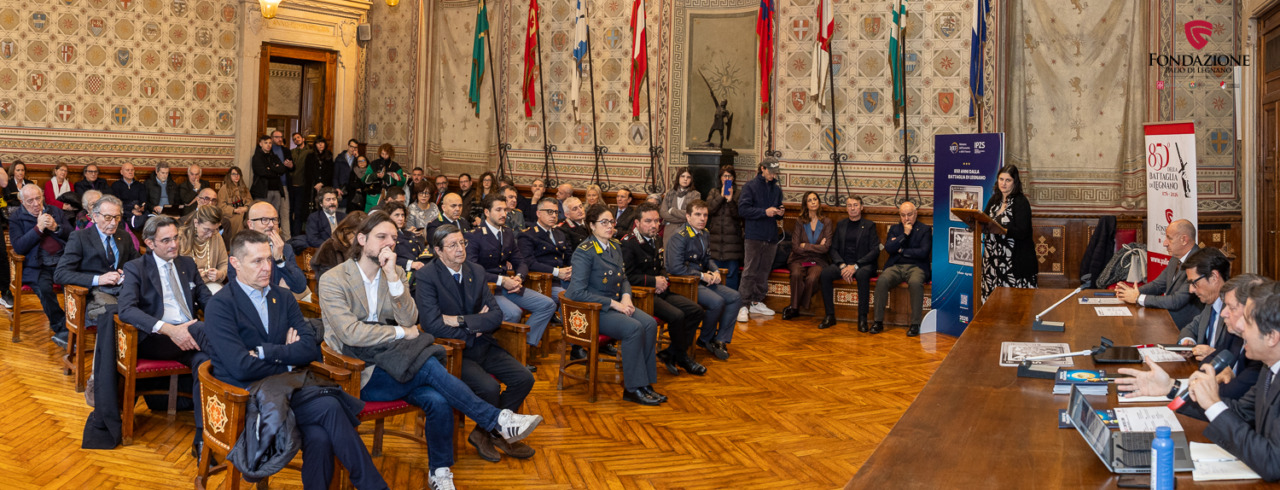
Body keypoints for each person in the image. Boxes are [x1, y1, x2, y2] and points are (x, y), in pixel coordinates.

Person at [317, 217, 543, 489]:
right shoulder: (334, 279)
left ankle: (440, 472)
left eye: (394, 238)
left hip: (396, 362)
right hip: (357, 372)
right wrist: (401, 333)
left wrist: (393, 279)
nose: (390, 244)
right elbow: (351, 333)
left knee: (438, 399)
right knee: (428, 365)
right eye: (382, 237)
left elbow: (410, 318)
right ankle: (496, 420)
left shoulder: (394, 273)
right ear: (362, 240)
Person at [204, 230, 389, 490]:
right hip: (246, 397)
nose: (266, 267)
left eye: (268, 259)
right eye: (257, 261)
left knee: (321, 436)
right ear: (235, 263)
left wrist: (268, 352)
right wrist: (288, 357)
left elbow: (308, 350)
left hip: (288, 388)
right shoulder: (220, 305)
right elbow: (241, 367)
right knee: (330, 406)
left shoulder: (283, 297)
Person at [416, 224, 539, 464]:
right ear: (438, 251)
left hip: (484, 344)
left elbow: (495, 316)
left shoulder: (476, 270)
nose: (460, 249)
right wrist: (475, 328)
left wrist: (461, 321)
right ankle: (495, 432)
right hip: (452, 351)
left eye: (462, 243)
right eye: (452, 245)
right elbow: (432, 325)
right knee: (489, 388)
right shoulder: (427, 276)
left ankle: (486, 433)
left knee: (524, 378)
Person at [116, 216, 215, 462]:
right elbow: (126, 310)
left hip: (190, 337)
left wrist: (225, 315)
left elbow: (207, 300)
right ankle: (251, 360)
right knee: (205, 333)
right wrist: (170, 329)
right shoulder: (136, 268)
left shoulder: (187, 263)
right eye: (166, 240)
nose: (174, 244)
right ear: (150, 243)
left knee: (205, 364)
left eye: (176, 238)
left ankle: (202, 440)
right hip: (156, 338)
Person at [1117, 275, 1270, 405]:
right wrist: (1172, 387)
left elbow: (1232, 395)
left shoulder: (1261, 355)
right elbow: (1207, 364)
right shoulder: (1236, 336)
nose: (1223, 313)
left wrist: (1176, 387)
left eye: (1231, 307)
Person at [566, 204, 664, 406]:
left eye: (612, 221)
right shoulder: (584, 252)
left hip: (616, 305)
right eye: (604, 222)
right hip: (593, 310)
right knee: (634, 328)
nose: (610, 226)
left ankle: (644, 383)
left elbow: (624, 278)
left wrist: (626, 296)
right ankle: (632, 388)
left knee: (649, 324)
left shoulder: (615, 246)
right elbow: (576, 292)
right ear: (592, 225)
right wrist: (614, 304)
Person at [1184, 282, 1280, 481]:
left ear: (1272, 337)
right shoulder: (1269, 368)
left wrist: (1213, 404)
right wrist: (1171, 388)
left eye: (1248, 322)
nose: (1240, 327)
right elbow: (1242, 412)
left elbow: (1273, 462)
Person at [467, 194, 556, 363]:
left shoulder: (507, 233)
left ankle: (520, 346)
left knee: (547, 304)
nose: (504, 214)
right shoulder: (474, 235)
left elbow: (520, 261)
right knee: (513, 313)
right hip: (488, 289)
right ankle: (505, 355)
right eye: (498, 210)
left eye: (505, 210)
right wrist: (502, 281)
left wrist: (519, 277)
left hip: (510, 286)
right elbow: (473, 270)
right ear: (486, 212)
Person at [620, 203, 707, 375]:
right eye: (648, 221)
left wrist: (664, 279)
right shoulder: (629, 243)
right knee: (677, 316)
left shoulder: (656, 238)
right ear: (637, 223)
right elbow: (627, 277)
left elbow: (661, 266)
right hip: (641, 296)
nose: (654, 225)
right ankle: (682, 357)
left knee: (696, 311)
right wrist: (654, 282)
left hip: (660, 291)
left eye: (656, 221)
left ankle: (671, 353)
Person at [666, 200, 741, 361]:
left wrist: (715, 271)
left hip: (701, 280)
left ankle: (720, 340)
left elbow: (707, 259)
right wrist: (701, 275)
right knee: (717, 302)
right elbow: (675, 268)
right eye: (698, 214)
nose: (702, 218)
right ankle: (705, 339)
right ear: (688, 217)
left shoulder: (704, 233)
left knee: (735, 297)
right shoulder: (679, 237)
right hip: (685, 283)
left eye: (705, 215)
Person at [54, 195, 139, 331]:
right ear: (95, 216)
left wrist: (128, 273)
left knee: (151, 306)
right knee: (122, 313)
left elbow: (137, 264)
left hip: (122, 291)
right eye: (108, 217)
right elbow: (60, 274)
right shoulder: (80, 237)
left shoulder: (124, 236)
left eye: (117, 217)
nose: (113, 223)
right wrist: (98, 279)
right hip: (93, 295)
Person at [11, 184, 70, 347]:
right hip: (37, 266)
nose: (36, 204)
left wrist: (56, 227)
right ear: (22, 202)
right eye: (30, 201)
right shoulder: (16, 218)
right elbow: (19, 247)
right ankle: (62, 328)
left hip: (62, 262)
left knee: (78, 288)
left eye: (38, 198)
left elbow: (72, 235)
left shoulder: (55, 211)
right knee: (45, 289)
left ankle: (76, 324)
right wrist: (38, 228)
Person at [1116, 219, 1204, 329]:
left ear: (1184, 240)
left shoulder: (1199, 263)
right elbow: (1158, 285)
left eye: (1169, 238)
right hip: (1166, 318)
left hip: (1184, 327)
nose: (1164, 243)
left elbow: (1176, 301)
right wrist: (1133, 292)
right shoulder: (1176, 258)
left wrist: (1138, 298)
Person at [818, 196, 880, 331]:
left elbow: (875, 251)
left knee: (862, 275)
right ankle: (830, 316)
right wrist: (842, 265)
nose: (852, 208)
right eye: (849, 205)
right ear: (846, 208)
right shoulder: (841, 224)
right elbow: (833, 249)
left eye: (855, 205)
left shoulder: (869, 225)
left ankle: (862, 319)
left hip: (863, 265)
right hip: (843, 264)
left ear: (861, 207)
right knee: (825, 274)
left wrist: (855, 266)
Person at [872, 201, 932, 337]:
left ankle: (915, 324)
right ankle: (878, 322)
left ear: (916, 214)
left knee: (915, 283)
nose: (906, 218)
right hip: (896, 266)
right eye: (903, 215)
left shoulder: (924, 229)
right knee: (882, 280)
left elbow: (923, 252)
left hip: (917, 267)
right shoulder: (895, 229)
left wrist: (902, 250)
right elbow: (889, 248)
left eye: (909, 214)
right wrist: (904, 235)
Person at [227, 202, 307, 295]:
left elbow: (300, 287)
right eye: (264, 220)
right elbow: (238, 289)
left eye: (274, 219)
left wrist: (280, 259)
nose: (271, 224)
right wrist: (279, 291)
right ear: (250, 224)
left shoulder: (285, 248)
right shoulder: (239, 248)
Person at [981, 165, 1036, 300]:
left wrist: (1003, 230)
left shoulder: (1021, 202)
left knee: (1012, 302)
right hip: (992, 258)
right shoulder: (995, 200)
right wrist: (977, 223)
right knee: (992, 300)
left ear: (1014, 182)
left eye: (1008, 180)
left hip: (1013, 260)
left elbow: (1023, 231)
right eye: (1001, 179)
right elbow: (984, 219)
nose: (1003, 183)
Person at [738, 157, 784, 319]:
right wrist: (764, 212)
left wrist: (780, 212)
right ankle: (743, 305)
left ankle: (756, 301)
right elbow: (743, 210)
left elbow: (777, 212)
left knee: (764, 271)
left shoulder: (777, 190)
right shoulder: (750, 187)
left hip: (771, 236)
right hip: (754, 236)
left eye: (775, 173)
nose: (773, 175)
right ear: (762, 168)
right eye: (771, 172)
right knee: (750, 271)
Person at [518, 196, 573, 315]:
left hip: (564, 279)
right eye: (549, 212)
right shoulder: (528, 235)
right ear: (538, 213)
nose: (553, 215)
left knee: (588, 293)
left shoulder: (559, 234)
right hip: (544, 283)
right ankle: (562, 323)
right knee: (570, 298)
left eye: (556, 212)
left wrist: (572, 270)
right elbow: (529, 263)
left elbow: (569, 256)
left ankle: (560, 320)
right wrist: (557, 272)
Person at [784, 191, 834, 320]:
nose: (813, 202)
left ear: (819, 202)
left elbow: (826, 248)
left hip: (817, 261)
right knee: (796, 274)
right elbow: (795, 247)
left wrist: (805, 246)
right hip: (799, 259)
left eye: (815, 199)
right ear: (805, 204)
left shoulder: (826, 222)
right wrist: (817, 247)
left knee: (812, 278)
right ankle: (795, 309)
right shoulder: (800, 222)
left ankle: (795, 305)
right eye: (809, 200)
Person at [706, 165, 743, 292]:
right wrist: (721, 196)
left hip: (733, 243)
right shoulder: (714, 192)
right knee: (714, 274)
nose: (727, 179)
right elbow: (709, 209)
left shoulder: (739, 193)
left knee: (731, 275)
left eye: (729, 176)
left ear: (733, 178)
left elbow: (739, 215)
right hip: (715, 241)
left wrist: (730, 200)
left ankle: (732, 299)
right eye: (724, 176)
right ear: (720, 178)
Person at [179, 205, 229, 295]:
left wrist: (220, 274)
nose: (210, 235)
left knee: (220, 298)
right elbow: (174, 269)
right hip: (186, 285)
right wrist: (192, 275)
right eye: (206, 230)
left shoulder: (216, 236)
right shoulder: (180, 237)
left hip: (209, 283)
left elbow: (224, 263)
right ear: (196, 223)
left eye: (214, 230)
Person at [312, 211, 367, 279]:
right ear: (346, 230)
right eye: (357, 235)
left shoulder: (366, 248)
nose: (361, 239)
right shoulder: (330, 247)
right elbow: (326, 280)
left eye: (365, 235)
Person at [379, 200, 427, 274]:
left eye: (402, 215)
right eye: (397, 215)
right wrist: (411, 264)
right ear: (388, 217)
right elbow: (386, 258)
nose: (401, 218)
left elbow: (423, 252)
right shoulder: (384, 236)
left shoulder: (409, 233)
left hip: (419, 270)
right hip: (400, 272)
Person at [250, 134, 290, 221]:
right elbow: (262, 172)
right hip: (263, 191)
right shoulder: (257, 157)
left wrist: (270, 168)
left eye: (270, 143)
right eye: (266, 143)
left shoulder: (274, 156)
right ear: (260, 144)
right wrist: (275, 170)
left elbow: (282, 169)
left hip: (277, 190)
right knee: (263, 215)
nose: (268, 145)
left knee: (274, 215)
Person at [659, 167, 700, 249]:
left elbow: (692, 214)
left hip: (687, 229)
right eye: (682, 176)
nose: (685, 179)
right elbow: (663, 213)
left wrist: (673, 211)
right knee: (669, 254)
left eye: (688, 177)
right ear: (678, 178)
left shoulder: (695, 194)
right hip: (670, 230)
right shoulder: (670, 193)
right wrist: (685, 218)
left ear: (691, 180)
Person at [218, 167, 252, 247]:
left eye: (238, 174)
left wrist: (245, 208)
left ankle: (249, 242)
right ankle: (236, 243)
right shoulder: (224, 189)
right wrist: (234, 210)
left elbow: (250, 201)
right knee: (239, 218)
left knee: (249, 218)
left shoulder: (244, 188)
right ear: (229, 175)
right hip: (230, 214)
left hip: (243, 212)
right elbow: (221, 206)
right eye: (233, 174)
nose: (236, 176)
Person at [289, 133, 315, 235]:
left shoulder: (310, 152)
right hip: (291, 186)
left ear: (303, 139)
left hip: (302, 186)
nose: (296, 140)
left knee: (299, 212)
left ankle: (297, 234)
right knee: (290, 211)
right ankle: (291, 234)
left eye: (298, 137)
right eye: (294, 139)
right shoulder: (292, 152)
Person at [310, 137, 335, 209]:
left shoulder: (329, 155)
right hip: (313, 186)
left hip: (326, 186)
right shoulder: (310, 156)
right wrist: (316, 184)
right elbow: (308, 172)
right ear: (315, 145)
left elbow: (330, 172)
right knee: (314, 207)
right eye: (318, 143)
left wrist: (322, 183)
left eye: (322, 142)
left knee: (325, 206)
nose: (320, 144)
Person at [334, 139, 359, 207]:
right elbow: (335, 176)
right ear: (348, 146)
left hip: (353, 191)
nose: (353, 149)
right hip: (342, 189)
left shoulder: (357, 159)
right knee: (341, 210)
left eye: (355, 147)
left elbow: (362, 172)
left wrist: (358, 158)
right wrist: (336, 187)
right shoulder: (340, 158)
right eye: (351, 146)